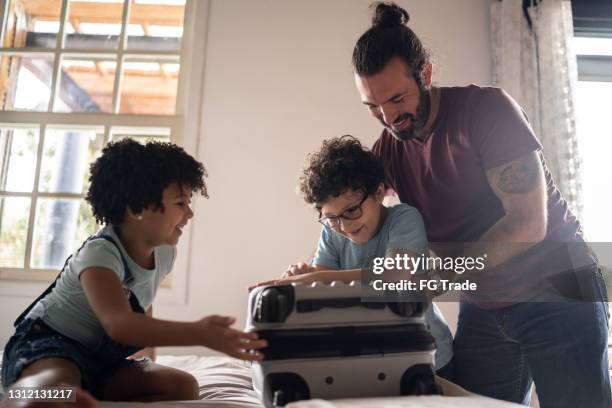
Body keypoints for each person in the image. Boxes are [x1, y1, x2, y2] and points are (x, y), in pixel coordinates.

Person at [350, 2, 611, 407]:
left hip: (557, 290)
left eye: (397, 98)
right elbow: (357, 216)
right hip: (485, 306)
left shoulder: (487, 111)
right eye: (373, 107)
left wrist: (437, 276)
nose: (388, 116)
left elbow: (526, 224)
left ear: (426, 74)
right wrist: (318, 272)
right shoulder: (387, 151)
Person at [2, 139, 266, 407]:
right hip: (53, 343)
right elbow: (119, 323)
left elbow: (142, 305)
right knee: (56, 385)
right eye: (180, 203)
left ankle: (84, 390)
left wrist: (146, 361)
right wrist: (199, 333)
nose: (190, 213)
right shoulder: (100, 254)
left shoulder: (164, 252)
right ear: (138, 208)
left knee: (183, 385)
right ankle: (21, 394)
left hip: (103, 361)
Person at [252, 135, 454, 379]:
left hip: (428, 357)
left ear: (379, 192)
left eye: (352, 210)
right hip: (369, 357)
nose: (345, 226)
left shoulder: (403, 219)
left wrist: (320, 276)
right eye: (332, 217)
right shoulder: (331, 230)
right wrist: (301, 280)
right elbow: (323, 292)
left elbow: (395, 275)